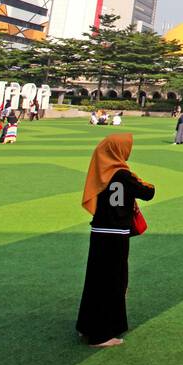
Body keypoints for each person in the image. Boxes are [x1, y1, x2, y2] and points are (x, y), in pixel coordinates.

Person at [76, 134, 155, 347]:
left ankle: (86, 326)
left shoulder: (100, 173)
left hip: (99, 232)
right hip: (116, 235)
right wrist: (141, 180)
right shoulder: (123, 175)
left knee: (95, 279)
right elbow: (149, 193)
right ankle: (102, 334)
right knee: (113, 281)